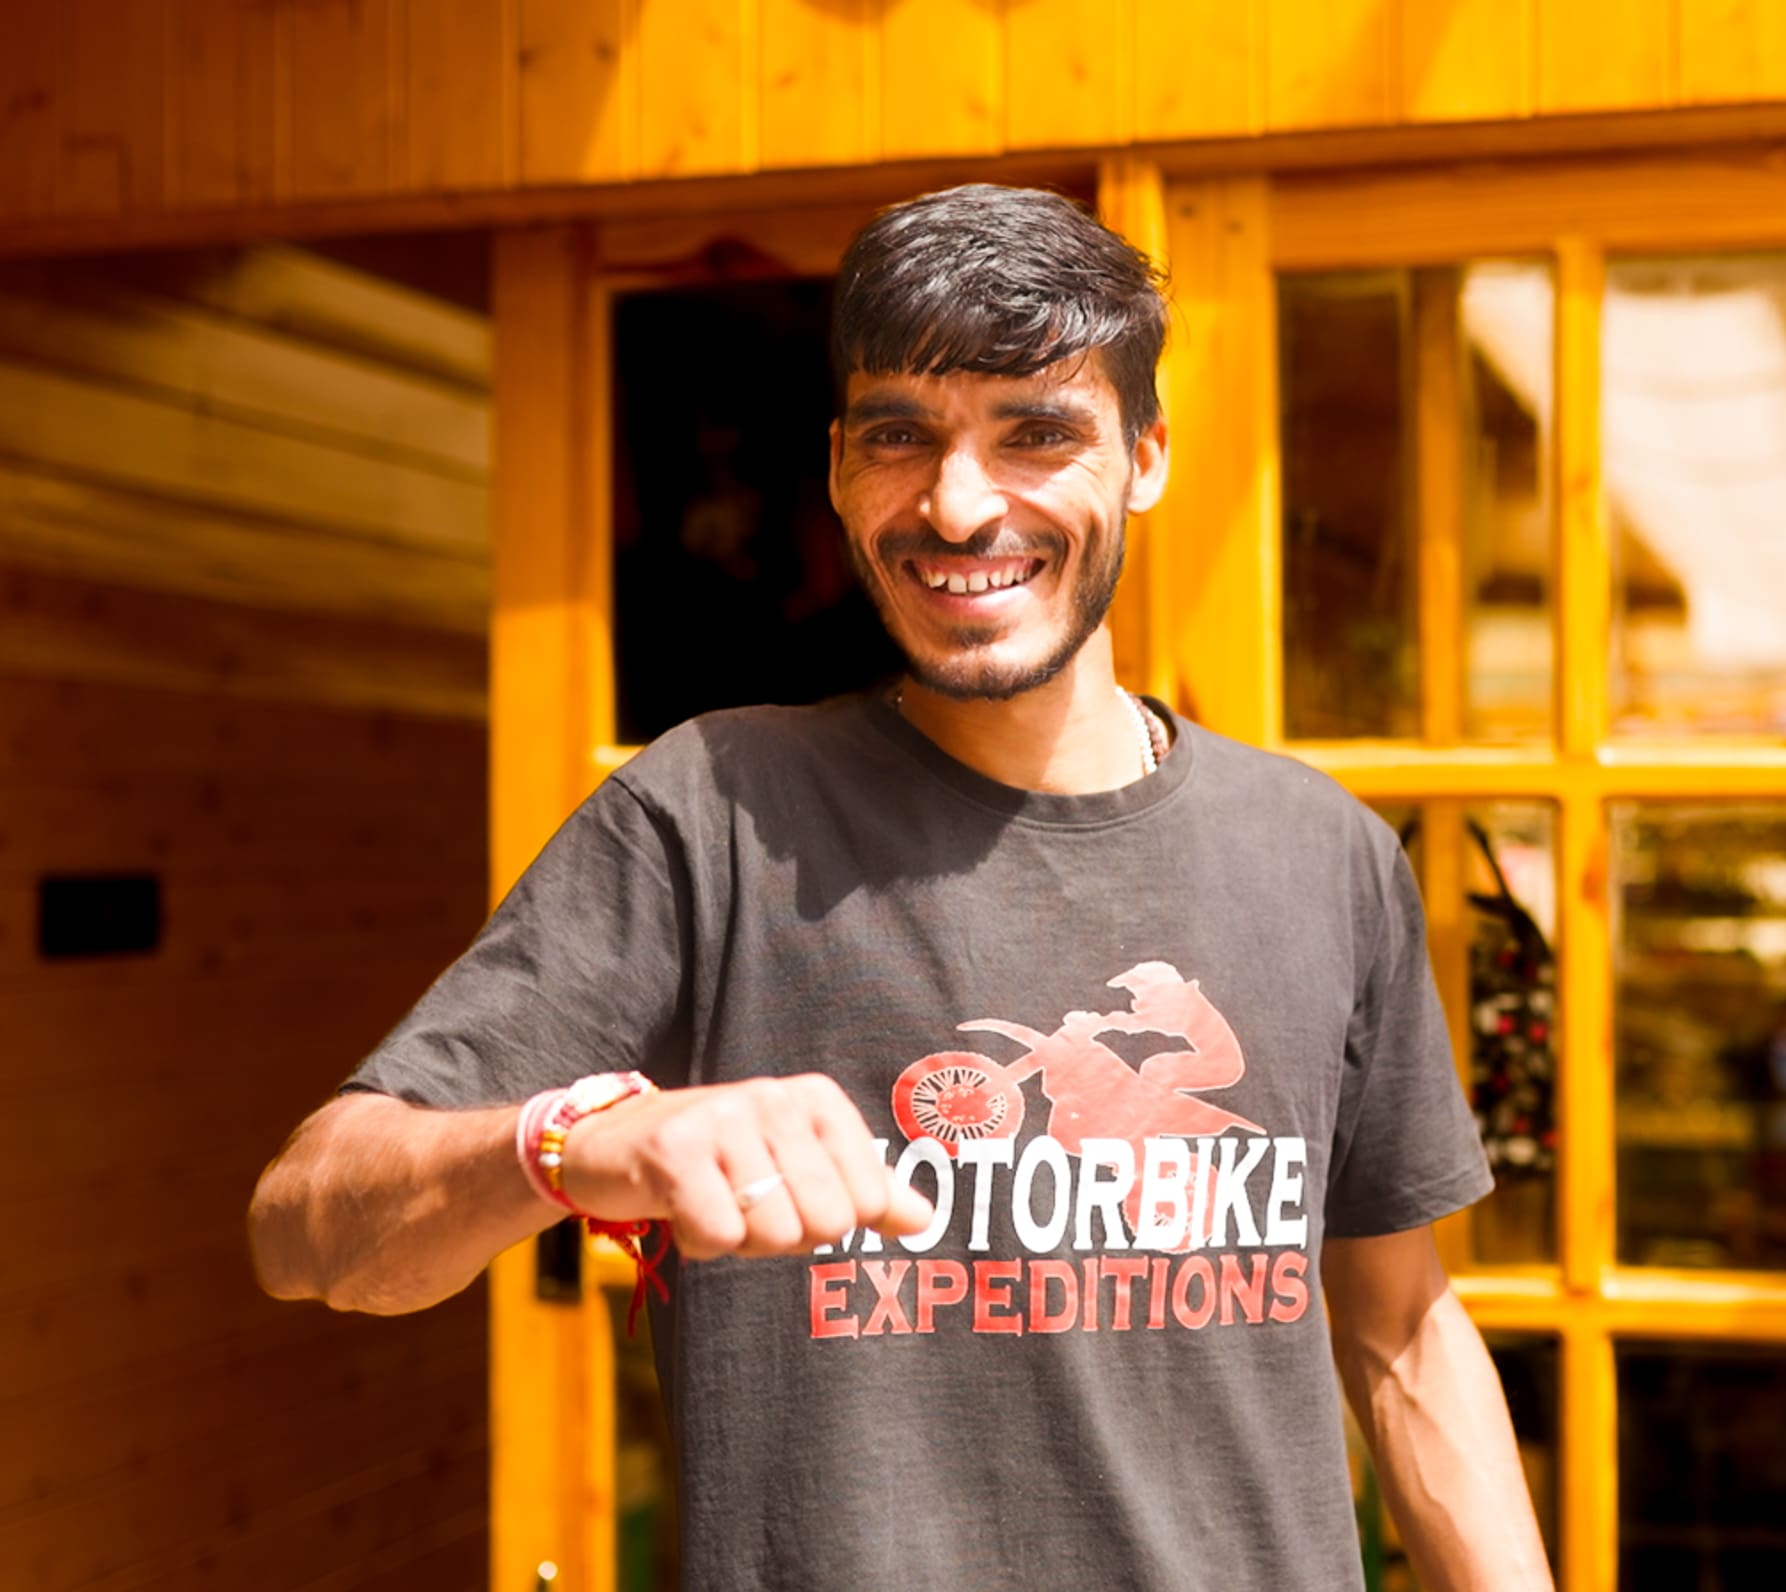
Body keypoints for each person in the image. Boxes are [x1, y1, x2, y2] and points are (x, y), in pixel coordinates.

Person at [248, 183, 1553, 1590]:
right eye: (901, 437)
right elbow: (307, 1226)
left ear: (1149, 457)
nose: (959, 502)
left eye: (1037, 432)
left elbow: (1404, 1331)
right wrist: (572, 1143)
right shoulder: (710, 814)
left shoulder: (1322, 854)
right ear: (835, 468)